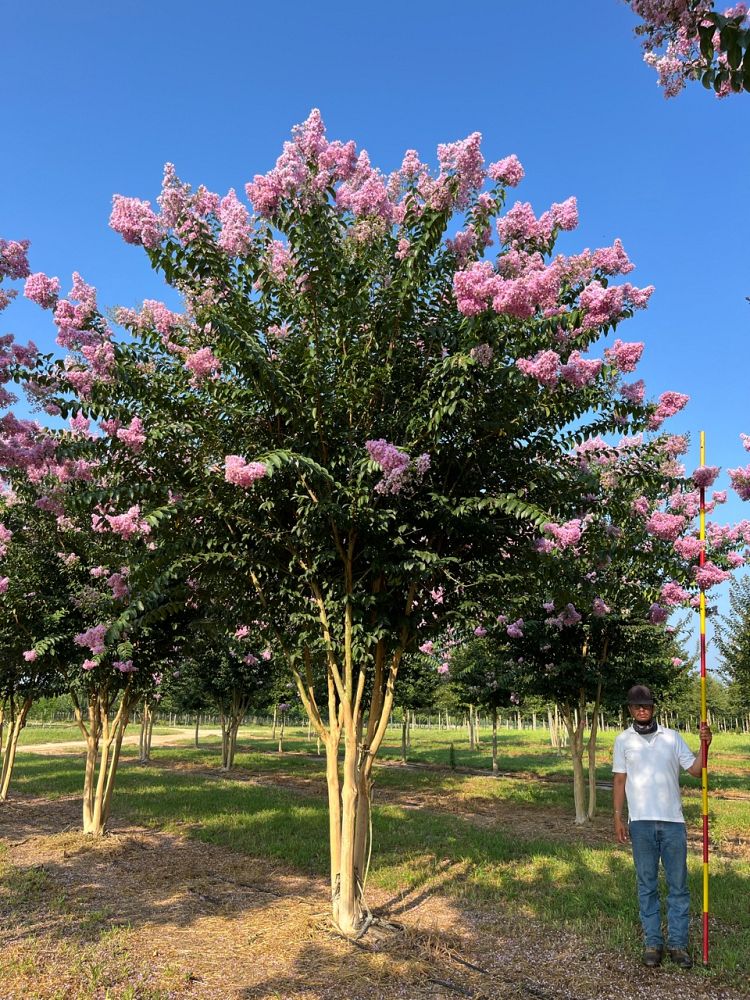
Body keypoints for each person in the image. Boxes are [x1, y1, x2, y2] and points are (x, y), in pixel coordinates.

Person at [612, 684, 712, 970]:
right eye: (636, 706)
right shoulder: (623, 741)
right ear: (630, 709)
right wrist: (618, 817)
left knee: (678, 887)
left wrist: (706, 745)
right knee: (647, 885)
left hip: (673, 823)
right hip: (640, 823)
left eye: (646, 705)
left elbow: (695, 770)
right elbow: (620, 781)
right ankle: (653, 942)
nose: (642, 709)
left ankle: (678, 945)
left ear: (654, 708)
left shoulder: (672, 737)